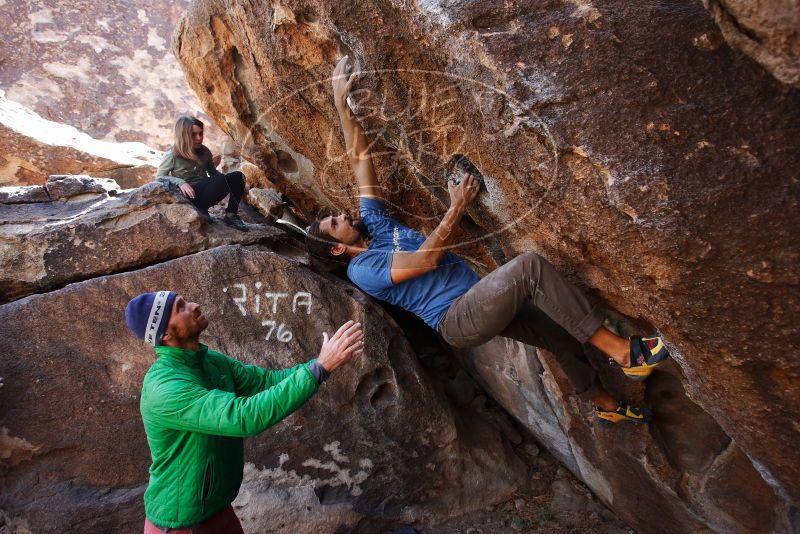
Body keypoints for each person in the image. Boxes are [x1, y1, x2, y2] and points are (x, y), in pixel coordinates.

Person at [305, 57, 670, 425]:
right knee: (529, 268)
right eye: (336, 224)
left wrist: (341, 104)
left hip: (477, 297)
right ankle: (625, 355)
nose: (344, 215)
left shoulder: (374, 223)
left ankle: (605, 405)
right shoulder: (362, 269)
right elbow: (425, 262)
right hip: (457, 319)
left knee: (560, 331)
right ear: (337, 248)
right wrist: (456, 207)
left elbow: (359, 158)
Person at [124, 290, 364, 532]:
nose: (194, 305)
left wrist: (323, 362)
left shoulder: (208, 361)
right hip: (181, 524)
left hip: (217, 509)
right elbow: (243, 417)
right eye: (180, 307)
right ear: (165, 334)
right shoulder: (165, 388)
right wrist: (319, 369)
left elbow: (267, 381)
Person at [156, 115, 249, 231]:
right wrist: (180, 182)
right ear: (183, 136)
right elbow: (159, 177)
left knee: (238, 177)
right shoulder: (172, 155)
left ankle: (231, 215)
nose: (199, 138)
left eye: (200, 133)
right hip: (188, 197)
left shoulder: (205, 152)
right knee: (228, 179)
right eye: (193, 134)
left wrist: (236, 185)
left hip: (204, 192)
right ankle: (199, 210)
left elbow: (213, 173)